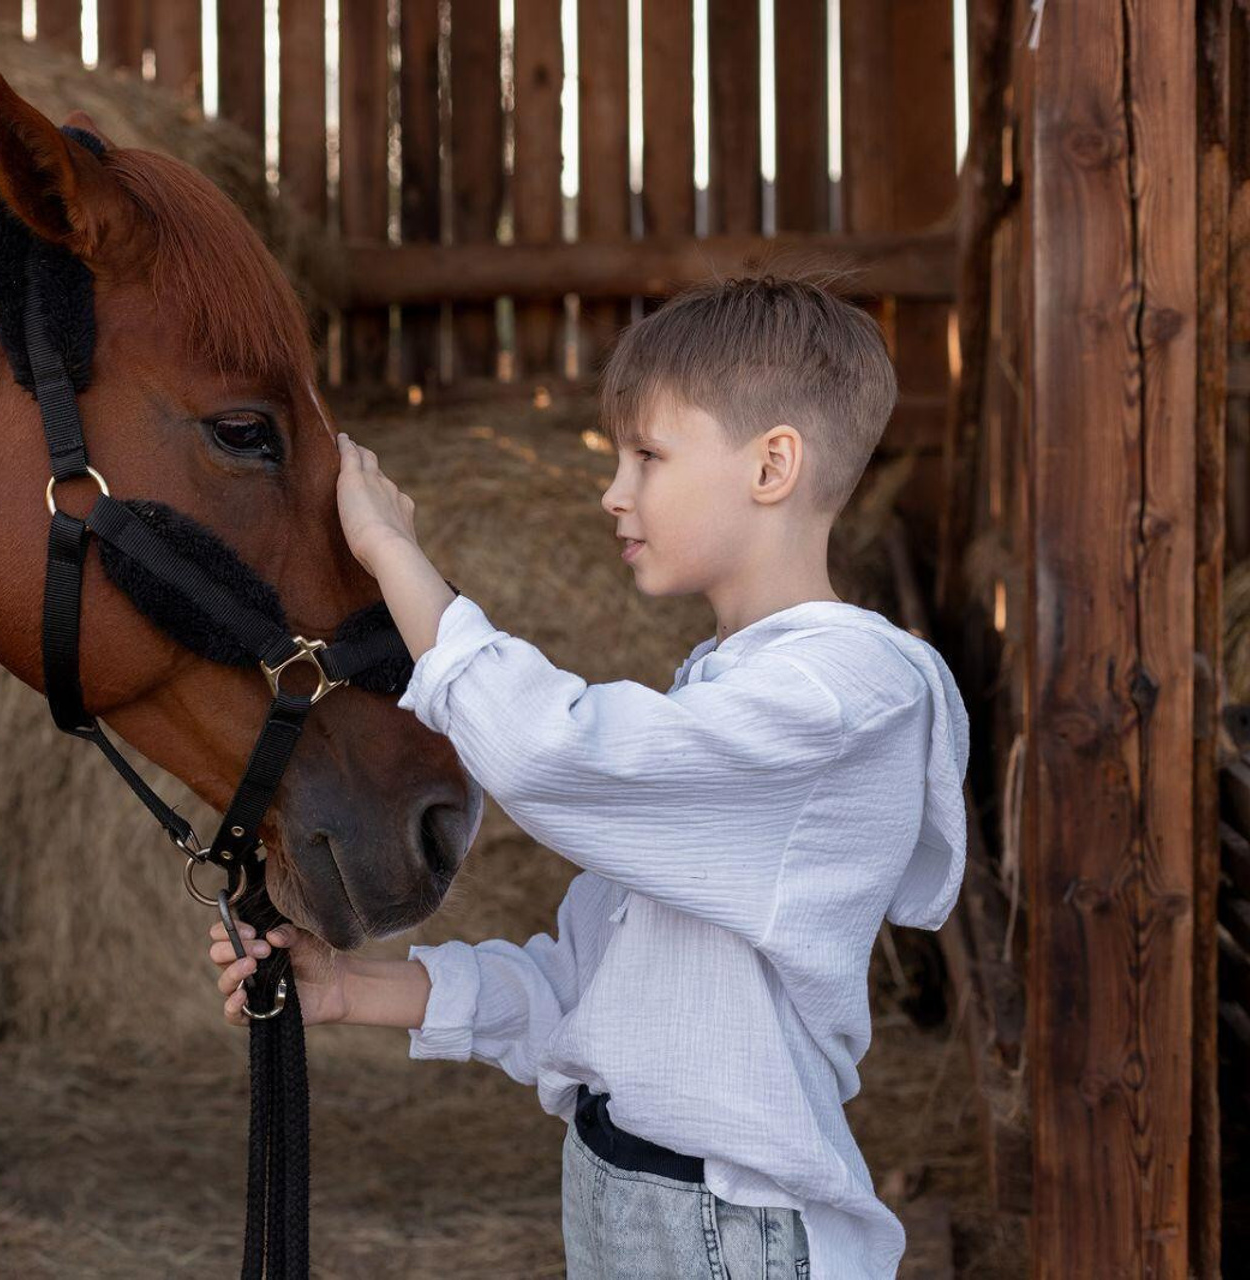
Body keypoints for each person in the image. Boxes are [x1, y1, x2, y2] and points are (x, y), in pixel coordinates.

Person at [207, 274, 970, 1279]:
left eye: (648, 455)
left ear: (773, 464)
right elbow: (584, 998)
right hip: (626, 1193)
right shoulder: (726, 695)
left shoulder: (843, 695)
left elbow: (548, 751)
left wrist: (394, 555)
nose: (614, 489)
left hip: (722, 1225)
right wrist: (349, 986)